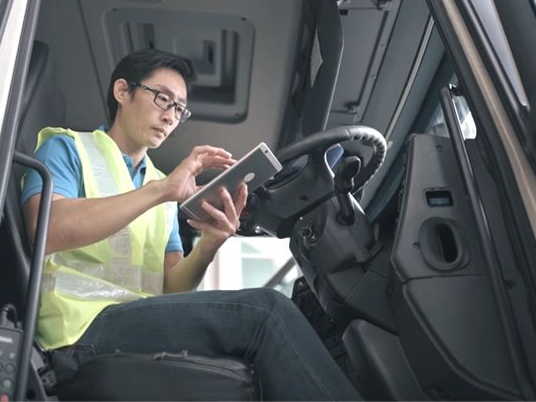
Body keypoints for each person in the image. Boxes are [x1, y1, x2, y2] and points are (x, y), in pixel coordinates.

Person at [21, 49, 359, 400]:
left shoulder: (161, 187)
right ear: (122, 91)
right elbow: (47, 229)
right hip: (76, 331)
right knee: (265, 312)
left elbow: (171, 290)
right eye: (162, 99)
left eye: (179, 109)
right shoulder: (69, 148)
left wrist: (209, 246)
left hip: (132, 324)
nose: (170, 117)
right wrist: (161, 191)